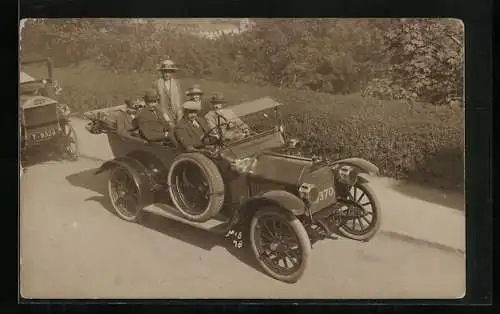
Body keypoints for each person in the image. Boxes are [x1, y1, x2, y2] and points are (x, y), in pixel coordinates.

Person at [154, 59, 183, 126]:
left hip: (174, 111)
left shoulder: (176, 83)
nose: (167, 74)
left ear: (172, 72)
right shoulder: (157, 83)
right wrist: (163, 113)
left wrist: (179, 111)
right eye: (165, 71)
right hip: (162, 112)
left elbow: (178, 100)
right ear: (162, 72)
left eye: (169, 71)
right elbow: (155, 101)